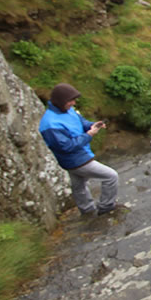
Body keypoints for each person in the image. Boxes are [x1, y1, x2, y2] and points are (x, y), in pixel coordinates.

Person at [38, 83, 122, 216]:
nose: (74, 102)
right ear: (61, 101)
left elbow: (80, 122)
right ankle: (106, 206)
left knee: (79, 185)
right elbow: (67, 147)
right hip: (76, 160)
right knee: (110, 176)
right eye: (71, 100)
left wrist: (92, 125)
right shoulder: (50, 124)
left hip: (77, 157)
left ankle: (87, 210)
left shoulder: (68, 110)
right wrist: (88, 135)